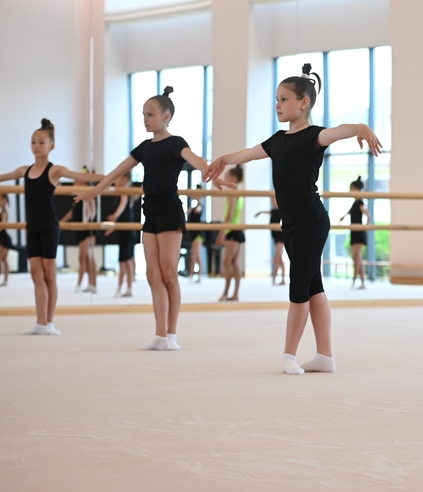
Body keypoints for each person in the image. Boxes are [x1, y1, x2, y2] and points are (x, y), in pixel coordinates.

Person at [203, 63, 382, 375]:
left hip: (312, 220)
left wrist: (360, 127)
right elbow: (248, 153)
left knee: (298, 287)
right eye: (276, 100)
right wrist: (223, 159)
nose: (278, 105)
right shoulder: (277, 140)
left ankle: (288, 354)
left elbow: (337, 132)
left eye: (284, 99)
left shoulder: (314, 136)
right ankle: (325, 356)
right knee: (314, 287)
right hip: (292, 224)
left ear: (304, 102)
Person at [75, 87, 234, 351]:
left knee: (169, 273)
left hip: (171, 211)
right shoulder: (144, 149)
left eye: (150, 115)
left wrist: (211, 174)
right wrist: (93, 192)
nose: (145, 119)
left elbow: (195, 159)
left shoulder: (176, 143)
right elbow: (117, 171)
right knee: (152, 274)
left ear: (166, 116)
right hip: (149, 213)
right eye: (143, 115)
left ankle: (172, 334)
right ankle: (160, 334)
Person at [0, 118, 105, 335]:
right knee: (36, 274)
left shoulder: (55, 170)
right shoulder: (24, 170)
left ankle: (50, 323)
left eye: (41, 142)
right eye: (33, 142)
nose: (36, 146)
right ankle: (40, 322)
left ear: (51, 146)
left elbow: (82, 176)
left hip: (49, 227)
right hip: (32, 227)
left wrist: (111, 178)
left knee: (49, 274)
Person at [61, 180, 98, 294]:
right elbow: (72, 213)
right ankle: (91, 284)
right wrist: (60, 222)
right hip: (81, 229)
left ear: (83, 184)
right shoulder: (78, 199)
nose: (73, 185)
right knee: (86, 257)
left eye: (76, 183)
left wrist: (86, 223)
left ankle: (80, 284)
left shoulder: (87, 196)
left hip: (86, 230)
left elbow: (92, 212)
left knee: (84, 257)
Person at [105, 172, 136, 297]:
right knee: (125, 261)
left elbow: (122, 207)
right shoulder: (122, 192)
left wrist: (114, 216)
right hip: (125, 231)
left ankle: (126, 288)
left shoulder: (124, 191)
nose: (115, 180)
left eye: (118, 177)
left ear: (124, 179)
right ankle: (123, 287)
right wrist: (112, 226)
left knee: (125, 261)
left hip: (127, 232)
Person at [217, 166, 245, 301]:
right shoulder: (238, 192)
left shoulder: (232, 193)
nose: (225, 180)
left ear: (234, 178)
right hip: (237, 230)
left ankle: (226, 292)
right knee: (234, 263)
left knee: (227, 262)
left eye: (227, 177)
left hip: (232, 231)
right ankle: (234, 294)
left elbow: (229, 215)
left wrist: (221, 233)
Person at [339, 176, 371, 290]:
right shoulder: (355, 203)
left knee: (356, 257)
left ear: (357, 189)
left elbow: (367, 214)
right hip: (354, 232)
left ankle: (357, 280)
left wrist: (365, 227)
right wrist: (343, 217)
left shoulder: (360, 202)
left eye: (351, 189)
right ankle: (360, 281)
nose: (350, 191)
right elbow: (350, 212)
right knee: (357, 258)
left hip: (359, 232)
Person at [254, 196, 286, 286]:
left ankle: (274, 279)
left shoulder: (280, 211)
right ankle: (282, 279)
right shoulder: (273, 211)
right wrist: (259, 212)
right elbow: (266, 212)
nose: (272, 201)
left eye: (274, 199)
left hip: (280, 237)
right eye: (271, 200)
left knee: (276, 258)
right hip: (275, 237)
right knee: (279, 259)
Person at [187, 184, 205, 284]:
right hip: (193, 233)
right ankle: (198, 276)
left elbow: (198, 210)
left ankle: (192, 275)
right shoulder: (194, 206)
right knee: (196, 256)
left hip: (198, 234)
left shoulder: (200, 205)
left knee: (194, 255)